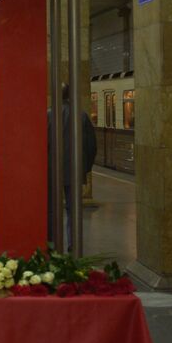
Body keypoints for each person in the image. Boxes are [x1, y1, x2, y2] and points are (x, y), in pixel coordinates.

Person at [47, 83, 98, 248]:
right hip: (75, 170)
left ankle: (52, 242)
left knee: (51, 209)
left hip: (51, 171)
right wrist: (86, 167)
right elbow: (91, 145)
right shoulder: (81, 116)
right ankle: (73, 243)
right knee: (73, 209)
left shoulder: (47, 115)